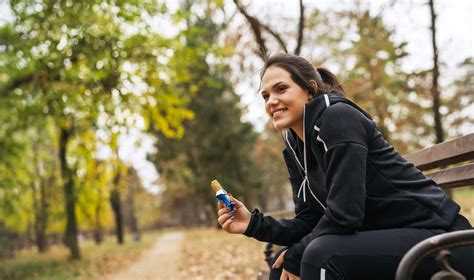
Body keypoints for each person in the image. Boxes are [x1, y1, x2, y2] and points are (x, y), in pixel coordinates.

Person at [216, 53, 473, 280]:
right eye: (265, 95)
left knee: (319, 255)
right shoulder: (295, 148)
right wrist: (252, 224)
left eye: (281, 89)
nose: (271, 100)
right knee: (281, 266)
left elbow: (345, 215)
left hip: (443, 240)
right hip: (396, 240)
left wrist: (296, 252)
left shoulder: (338, 118)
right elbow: (310, 221)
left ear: (310, 90)